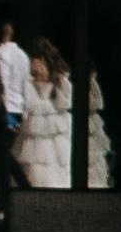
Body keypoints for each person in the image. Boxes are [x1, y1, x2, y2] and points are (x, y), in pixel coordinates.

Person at [12, 41, 74, 188]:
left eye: (40, 60)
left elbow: (66, 102)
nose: (37, 64)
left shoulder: (59, 78)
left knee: (53, 163)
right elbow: (28, 102)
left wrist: (58, 83)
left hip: (54, 128)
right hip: (36, 127)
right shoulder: (29, 78)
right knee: (35, 164)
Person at [0, 17, 31, 196]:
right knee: (2, 150)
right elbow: (26, 83)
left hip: (2, 108)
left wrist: (4, 111)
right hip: (17, 109)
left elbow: (3, 83)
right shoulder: (23, 56)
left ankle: (14, 191)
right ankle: (21, 187)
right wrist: (23, 111)